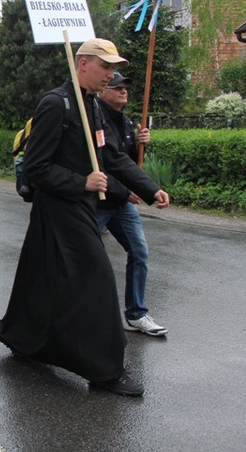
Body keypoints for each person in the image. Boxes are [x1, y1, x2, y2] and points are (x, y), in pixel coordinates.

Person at [0, 38, 170, 397]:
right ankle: (106, 371)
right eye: (105, 67)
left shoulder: (94, 107)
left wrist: (150, 189)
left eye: (113, 67)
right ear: (82, 63)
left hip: (80, 207)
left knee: (41, 279)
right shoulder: (55, 104)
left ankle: (22, 339)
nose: (111, 74)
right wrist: (81, 181)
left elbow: (114, 158)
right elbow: (37, 167)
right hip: (58, 208)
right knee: (98, 282)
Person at [97, 72, 167, 336]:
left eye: (125, 87)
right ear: (103, 91)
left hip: (121, 204)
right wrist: (131, 191)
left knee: (139, 252)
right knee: (82, 258)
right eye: (117, 87)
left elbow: (127, 163)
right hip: (99, 202)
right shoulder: (95, 119)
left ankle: (136, 314)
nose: (123, 91)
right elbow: (107, 163)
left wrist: (140, 145)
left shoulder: (126, 123)